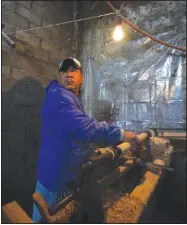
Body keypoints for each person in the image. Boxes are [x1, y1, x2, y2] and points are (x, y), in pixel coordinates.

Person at [32, 57, 140, 222]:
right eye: (64, 71)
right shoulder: (60, 97)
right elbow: (84, 127)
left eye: (73, 70)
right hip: (56, 179)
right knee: (47, 219)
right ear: (59, 76)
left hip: (58, 174)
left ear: (81, 77)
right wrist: (122, 134)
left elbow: (71, 133)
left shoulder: (67, 97)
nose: (69, 74)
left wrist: (89, 150)